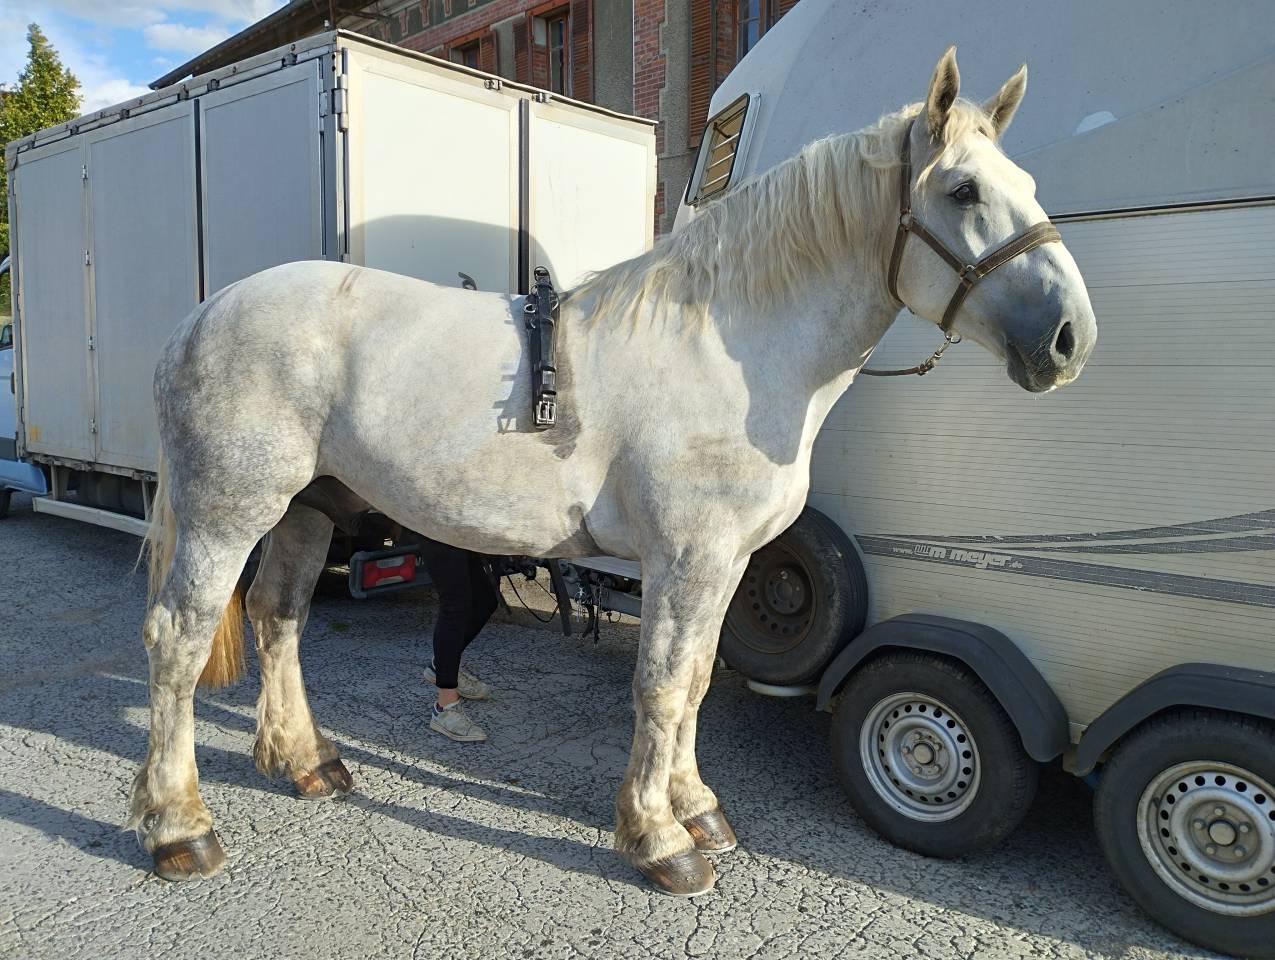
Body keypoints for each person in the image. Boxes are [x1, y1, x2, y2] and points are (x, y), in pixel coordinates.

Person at [418, 538, 499, 742]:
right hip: (436, 523)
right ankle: (445, 707)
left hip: (459, 528)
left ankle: (441, 666)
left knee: (484, 601)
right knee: (455, 605)